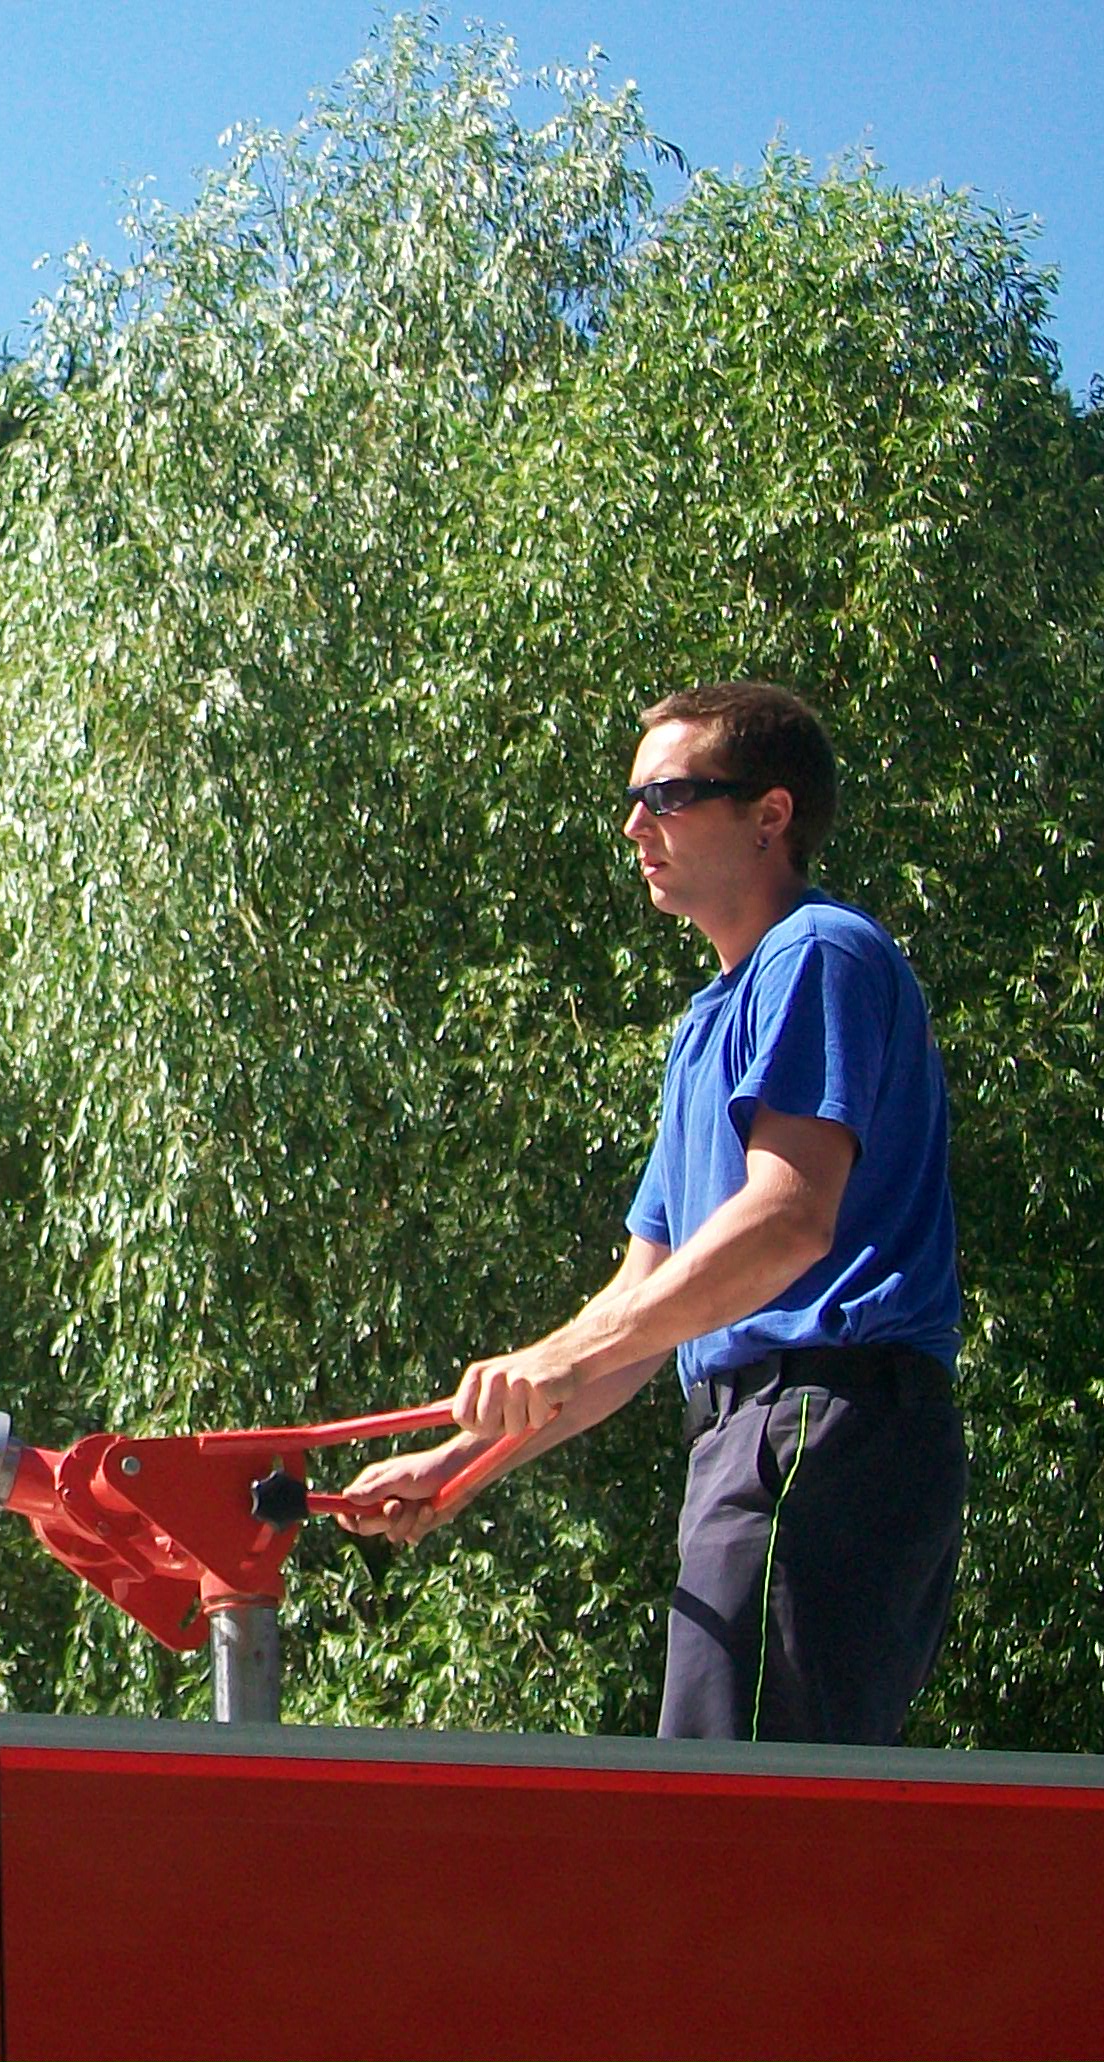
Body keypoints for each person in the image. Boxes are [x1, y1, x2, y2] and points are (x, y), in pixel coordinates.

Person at [336, 681, 965, 1744]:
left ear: (768, 816)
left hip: (812, 1426)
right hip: (754, 1439)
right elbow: (640, 1311)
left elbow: (787, 1220)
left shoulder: (817, 953)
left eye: (667, 795)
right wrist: (457, 1466)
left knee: (734, 1812)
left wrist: (555, 1356)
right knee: (731, 1798)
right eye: (632, 800)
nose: (635, 825)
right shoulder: (704, 1028)